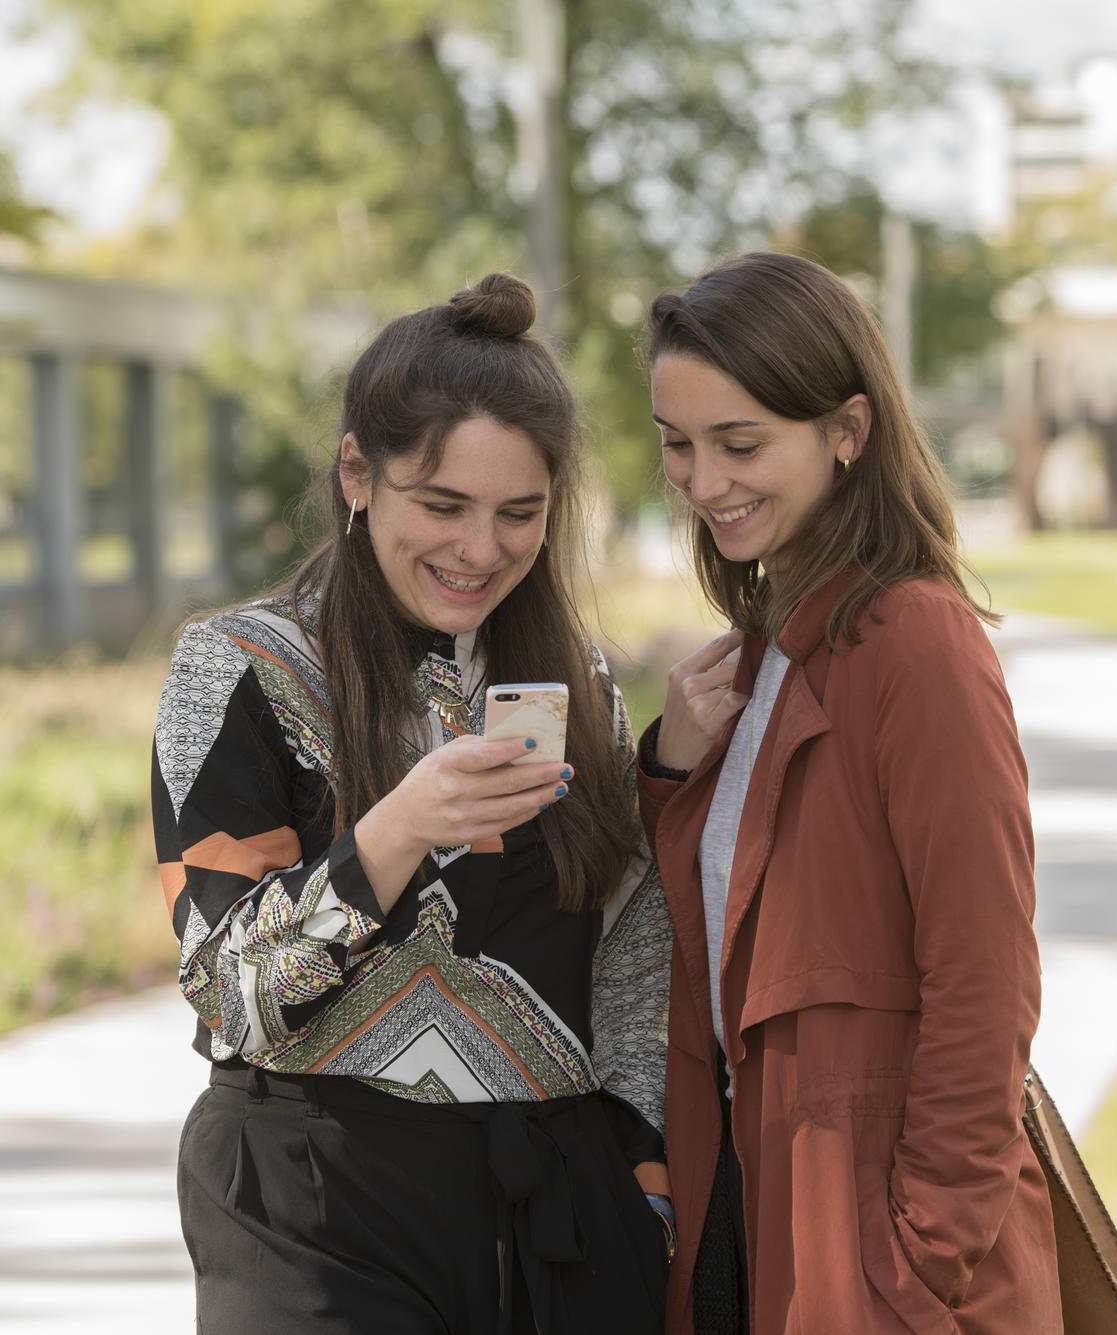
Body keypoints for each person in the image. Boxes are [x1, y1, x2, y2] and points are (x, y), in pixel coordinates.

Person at [151, 273, 674, 1334]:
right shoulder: (237, 666)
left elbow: (629, 952)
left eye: (518, 514)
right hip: (312, 1208)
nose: (479, 551)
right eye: (442, 506)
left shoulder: (574, 682)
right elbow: (231, 998)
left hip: (556, 1218)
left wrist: (642, 1182)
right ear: (356, 473)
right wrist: (392, 831)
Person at [633, 252, 1065, 1335]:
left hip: (885, 1265)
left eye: (740, 444)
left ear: (846, 431)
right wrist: (673, 774)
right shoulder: (766, 652)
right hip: (760, 1225)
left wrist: (921, 1255)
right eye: (677, 446)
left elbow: (984, 972)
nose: (703, 480)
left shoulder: (912, 640)